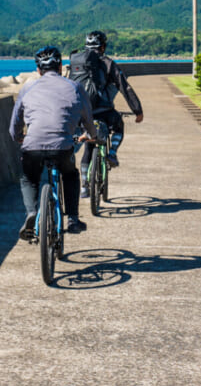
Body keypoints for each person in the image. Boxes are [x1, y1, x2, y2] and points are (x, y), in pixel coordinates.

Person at [9, 44, 96, 240]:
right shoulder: (75, 87)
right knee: (70, 175)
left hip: (32, 146)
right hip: (62, 147)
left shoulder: (28, 88)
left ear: (38, 70)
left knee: (29, 178)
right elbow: (88, 119)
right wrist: (91, 134)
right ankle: (73, 218)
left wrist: (18, 138)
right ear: (60, 67)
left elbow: (14, 123)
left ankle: (31, 212)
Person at [70, 30, 144, 197]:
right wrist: (137, 111)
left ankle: (84, 187)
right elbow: (124, 87)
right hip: (104, 112)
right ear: (102, 46)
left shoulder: (78, 62)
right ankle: (112, 153)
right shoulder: (108, 63)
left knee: (88, 145)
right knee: (119, 125)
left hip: (82, 114)